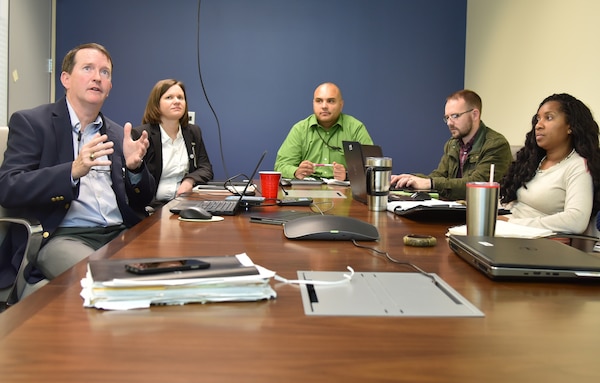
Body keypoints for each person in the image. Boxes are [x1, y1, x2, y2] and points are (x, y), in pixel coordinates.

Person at [0, 43, 155, 288]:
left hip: (119, 233)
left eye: (105, 72)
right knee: (108, 281)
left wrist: (135, 168)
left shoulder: (116, 133)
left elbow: (143, 199)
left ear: (109, 87)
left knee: (168, 272)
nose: (97, 77)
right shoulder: (32, 123)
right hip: (63, 236)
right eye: (88, 68)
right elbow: (8, 188)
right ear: (66, 78)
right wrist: (71, 171)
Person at [499, 93, 600, 233]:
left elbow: (576, 220)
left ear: (570, 126)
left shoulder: (577, 166)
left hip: (534, 242)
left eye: (549, 117)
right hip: (506, 228)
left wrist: (512, 223)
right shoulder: (533, 161)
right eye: (538, 119)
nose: (538, 125)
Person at [390, 89, 512, 200]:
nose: (449, 123)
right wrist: (411, 178)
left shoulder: (496, 145)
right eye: (447, 117)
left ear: (475, 114)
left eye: (455, 116)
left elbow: (477, 185)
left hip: (481, 213)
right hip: (455, 209)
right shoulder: (452, 144)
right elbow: (440, 175)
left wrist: (430, 183)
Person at [132, 79, 213, 207]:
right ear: (156, 103)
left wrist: (189, 180)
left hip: (184, 205)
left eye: (180, 97)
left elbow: (206, 168)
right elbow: (135, 183)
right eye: (169, 97)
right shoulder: (141, 135)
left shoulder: (193, 132)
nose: (176, 101)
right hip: (151, 208)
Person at [274, 82, 373, 181]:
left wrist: (347, 175)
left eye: (330, 101)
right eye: (319, 101)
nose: (324, 106)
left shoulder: (355, 128)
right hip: (307, 190)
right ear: (313, 103)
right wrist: (296, 172)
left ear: (341, 104)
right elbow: (280, 166)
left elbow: (372, 167)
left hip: (344, 191)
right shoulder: (300, 129)